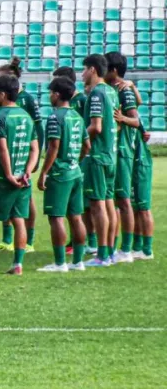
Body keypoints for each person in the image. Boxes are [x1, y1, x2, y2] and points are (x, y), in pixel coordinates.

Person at [0, 74, 39, 275]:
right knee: (19, 218)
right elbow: (35, 148)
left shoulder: (0, 116)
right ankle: (17, 264)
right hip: (24, 178)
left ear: (2, 94)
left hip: (4, 179)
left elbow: (2, 149)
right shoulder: (26, 116)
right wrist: (27, 170)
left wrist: (9, 175)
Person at [36, 77, 89, 272]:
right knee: (76, 217)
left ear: (56, 95)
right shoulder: (77, 116)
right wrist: (76, 159)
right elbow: (87, 145)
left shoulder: (55, 117)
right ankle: (78, 261)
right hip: (76, 171)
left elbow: (53, 147)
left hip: (60, 173)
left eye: (50, 93)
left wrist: (44, 172)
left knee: (56, 217)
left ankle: (60, 263)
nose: (49, 96)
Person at [0, 58, 42, 254]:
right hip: (5, 152)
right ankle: (7, 239)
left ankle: (28, 241)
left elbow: (38, 127)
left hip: (23, 153)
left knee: (26, 196)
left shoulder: (27, 99)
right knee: (6, 193)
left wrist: (36, 157)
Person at [81, 54, 119, 268]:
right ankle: (110, 252)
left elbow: (96, 126)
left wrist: (77, 138)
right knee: (108, 203)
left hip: (97, 156)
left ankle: (102, 255)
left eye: (84, 69)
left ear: (93, 69)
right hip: (110, 155)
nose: (82, 74)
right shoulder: (111, 92)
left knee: (97, 206)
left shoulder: (96, 93)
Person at [105, 52, 140, 264]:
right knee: (117, 200)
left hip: (124, 151)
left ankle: (126, 249)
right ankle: (114, 246)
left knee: (124, 201)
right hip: (116, 150)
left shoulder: (124, 91)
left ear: (114, 71)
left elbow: (136, 121)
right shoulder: (114, 90)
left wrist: (122, 118)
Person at [130, 120, 154, 260]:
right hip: (133, 166)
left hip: (141, 166)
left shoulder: (135, 119)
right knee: (135, 209)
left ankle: (147, 250)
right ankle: (137, 247)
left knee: (144, 208)